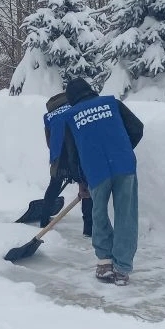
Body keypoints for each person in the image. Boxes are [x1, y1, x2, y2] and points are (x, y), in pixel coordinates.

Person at [61, 78, 144, 285]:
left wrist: (81, 181)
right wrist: (123, 147)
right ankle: (123, 269)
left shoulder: (71, 116)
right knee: (127, 215)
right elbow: (137, 127)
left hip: (95, 170)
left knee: (98, 213)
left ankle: (105, 263)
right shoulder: (112, 103)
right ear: (91, 91)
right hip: (124, 165)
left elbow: (72, 155)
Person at [40, 91, 93, 236]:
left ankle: (44, 219)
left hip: (59, 157)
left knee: (54, 186)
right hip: (78, 153)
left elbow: (50, 142)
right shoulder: (77, 109)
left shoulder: (48, 117)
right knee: (85, 188)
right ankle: (89, 228)